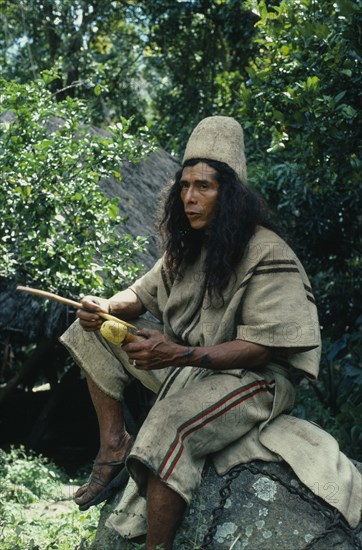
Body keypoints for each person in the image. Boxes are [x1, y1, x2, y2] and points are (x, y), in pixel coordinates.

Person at [60, 116, 361, 549]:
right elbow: (137, 295)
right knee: (89, 329)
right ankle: (114, 445)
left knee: (169, 423)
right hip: (183, 366)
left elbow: (260, 350)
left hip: (252, 381)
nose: (189, 197)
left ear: (231, 194)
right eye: (184, 186)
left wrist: (176, 354)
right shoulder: (185, 251)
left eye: (204, 186)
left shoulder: (267, 252)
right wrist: (104, 306)